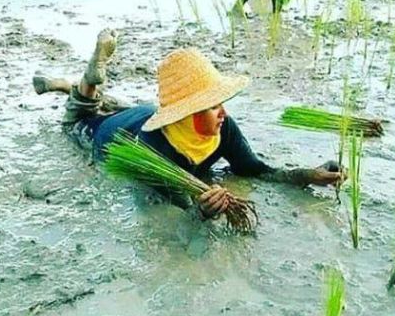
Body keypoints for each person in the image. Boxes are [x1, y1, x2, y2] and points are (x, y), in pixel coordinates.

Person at [33, 29, 346, 220]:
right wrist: (203, 211)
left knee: (106, 102)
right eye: (212, 106)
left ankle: (68, 85)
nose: (222, 112)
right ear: (187, 113)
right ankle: (84, 81)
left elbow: (255, 169)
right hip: (110, 132)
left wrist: (308, 174)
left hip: (142, 113)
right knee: (79, 118)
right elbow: (175, 207)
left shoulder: (222, 127)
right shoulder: (154, 154)